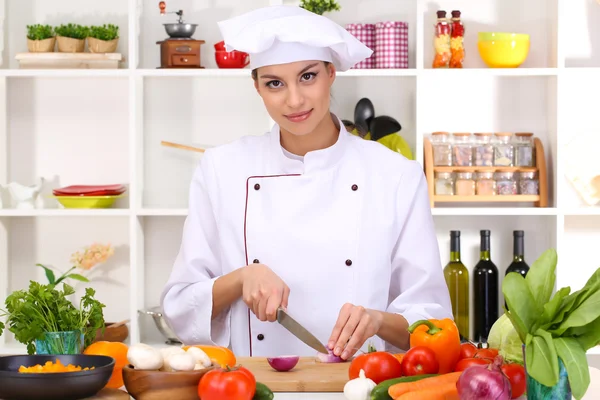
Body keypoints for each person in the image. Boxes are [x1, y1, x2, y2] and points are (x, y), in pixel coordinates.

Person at [160, 5, 453, 360]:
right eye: (274, 84)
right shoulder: (222, 170)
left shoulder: (395, 176)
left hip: (364, 385)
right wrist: (241, 278)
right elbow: (179, 308)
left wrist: (377, 320)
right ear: (257, 87)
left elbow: (434, 325)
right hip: (254, 386)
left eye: (308, 76)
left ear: (331, 73)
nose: (294, 100)